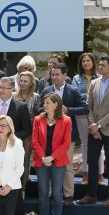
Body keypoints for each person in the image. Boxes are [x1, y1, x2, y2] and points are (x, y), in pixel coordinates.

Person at [77, 56, 109, 208]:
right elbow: (89, 106)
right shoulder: (94, 83)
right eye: (99, 64)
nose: (99, 67)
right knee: (92, 161)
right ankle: (91, 194)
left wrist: (98, 125)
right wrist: (93, 125)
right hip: (94, 129)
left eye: (103, 65)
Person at [0, 77, 32, 215]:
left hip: (12, 152)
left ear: (12, 90)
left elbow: (27, 129)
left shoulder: (21, 106)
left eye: (5, 88)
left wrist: (10, 138)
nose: (1, 90)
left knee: (12, 191)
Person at [40, 63, 88, 206]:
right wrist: (46, 111)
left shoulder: (73, 91)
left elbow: (84, 108)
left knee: (66, 166)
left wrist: (68, 110)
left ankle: (68, 195)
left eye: (57, 74)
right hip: (48, 135)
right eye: (52, 75)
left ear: (64, 75)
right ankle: (48, 194)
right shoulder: (46, 90)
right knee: (48, 163)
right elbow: (38, 108)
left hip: (67, 135)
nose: (54, 77)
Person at [32, 93, 71, 215]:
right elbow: (34, 142)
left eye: (48, 102)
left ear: (56, 104)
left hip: (58, 161)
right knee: (43, 192)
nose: (45, 105)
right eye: (44, 102)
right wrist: (43, 157)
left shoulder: (66, 120)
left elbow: (66, 144)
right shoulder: (38, 119)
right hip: (41, 161)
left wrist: (52, 157)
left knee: (57, 193)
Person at [72, 52, 103, 186]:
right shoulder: (76, 78)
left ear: (93, 63)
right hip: (82, 113)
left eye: (88, 61)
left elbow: (101, 95)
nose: (86, 63)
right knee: (85, 145)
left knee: (98, 144)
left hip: (97, 114)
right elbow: (76, 95)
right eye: (83, 61)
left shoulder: (100, 78)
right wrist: (90, 95)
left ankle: (100, 175)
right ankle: (85, 174)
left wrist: (87, 96)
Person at [13, 71, 41, 201]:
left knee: (25, 161)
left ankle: (22, 189)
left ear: (31, 83)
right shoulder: (13, 96)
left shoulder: (36, 97)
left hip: (29, 133)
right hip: (14, 133)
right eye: (21, 80)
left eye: (25, 81)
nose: (22, 83)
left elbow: (38, 116)